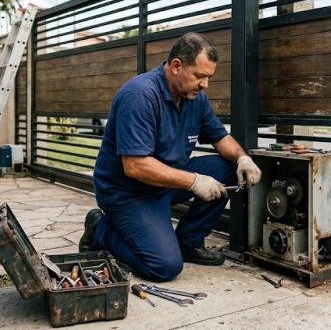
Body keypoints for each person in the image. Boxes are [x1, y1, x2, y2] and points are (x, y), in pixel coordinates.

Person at [78, 32, 262, 282]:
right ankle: (99, 228)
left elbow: (221, 138)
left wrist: (243, 158)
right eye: (200, 76)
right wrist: (194, 181)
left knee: (228, 167)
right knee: (164, 266)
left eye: (209, 77)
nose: (205, 84)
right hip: (128, 192)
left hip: (165, 184)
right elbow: (135, 166)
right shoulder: (140, 95)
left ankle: (188, 242)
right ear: (177, 66)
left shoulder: (195, 98)